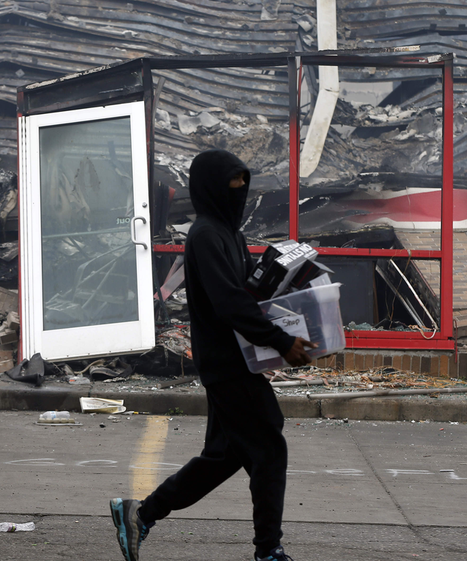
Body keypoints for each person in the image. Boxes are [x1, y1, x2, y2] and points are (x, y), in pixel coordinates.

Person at [110, 149, 318, 561]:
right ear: (211, 187)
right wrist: (279, 340)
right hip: (225, 363)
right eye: (232, 184)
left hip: (238, 359)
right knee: (268, 448)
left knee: (224, 456)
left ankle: (141, 513)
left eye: (244, 183)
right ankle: (268, 552)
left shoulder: (230, 235)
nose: (240, 192)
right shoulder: (206, 235)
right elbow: (228, 303)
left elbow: (245, 295)